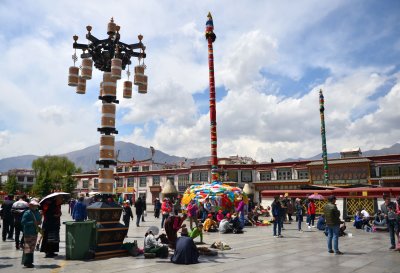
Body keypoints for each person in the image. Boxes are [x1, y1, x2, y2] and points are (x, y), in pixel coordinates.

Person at [21, 199, 42, 268]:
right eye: (34, 205)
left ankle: (28, 261)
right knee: (28, 247)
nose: (35, 207)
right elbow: (23, 222)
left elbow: (39, 220)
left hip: (34, 232)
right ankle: (27, 262)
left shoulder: (37, 212)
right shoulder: (27, 213)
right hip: (28, 232)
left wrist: (39, 221)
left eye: (36, 206)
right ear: (30, 206)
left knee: (32, 247)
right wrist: (32, 223)